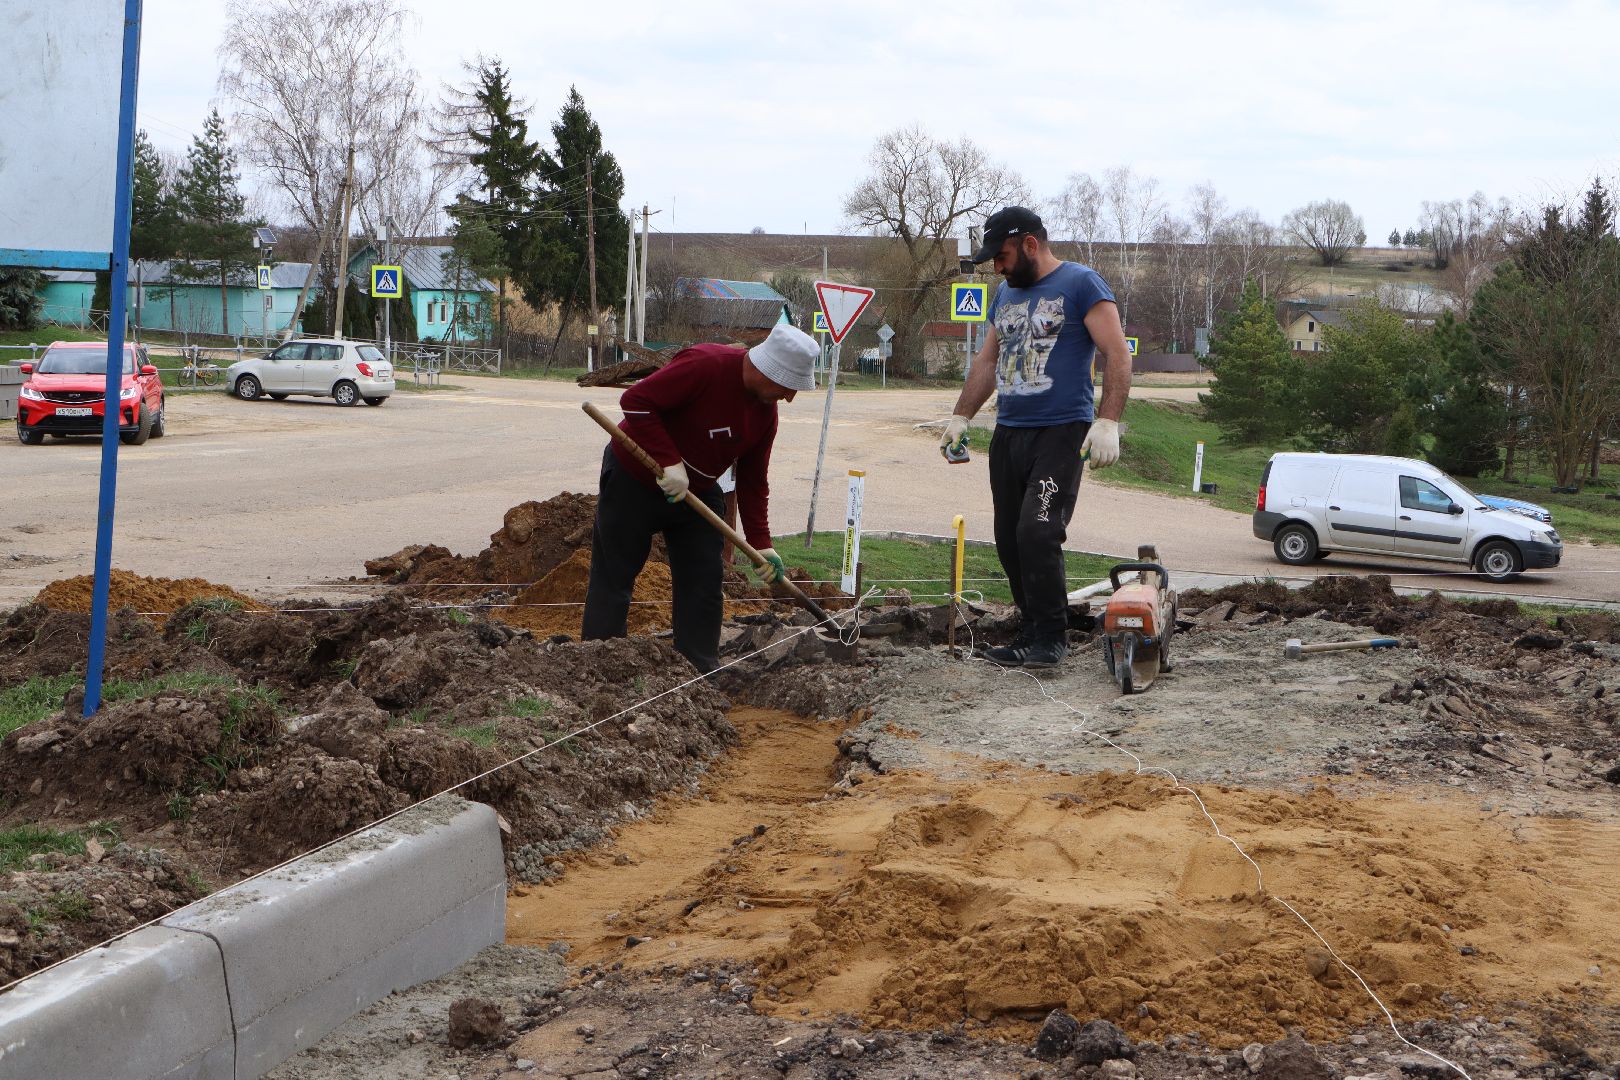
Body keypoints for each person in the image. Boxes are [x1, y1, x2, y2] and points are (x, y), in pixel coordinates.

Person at [938, 206, 1133, 669]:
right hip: (1010, 434)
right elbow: (988, 361)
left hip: (1061, 432)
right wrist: (961, 417)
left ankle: (1050, 638)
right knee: (1008, 538)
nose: (997, 268)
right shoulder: (1004, 293)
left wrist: (1107, 421)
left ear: (1029, 244)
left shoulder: (1082, 284)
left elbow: (1116, 353)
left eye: (1002, 256)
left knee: (1038, 531)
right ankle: (1031, 631)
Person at [582, 322, 820, 672]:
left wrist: (762, 543)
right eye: (788, 386)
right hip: (634, 478)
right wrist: (669, 461)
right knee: (614, 576)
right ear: (767, 369)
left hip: (698, 489)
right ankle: (596, 666)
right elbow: (636, 400)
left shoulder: (765, 416)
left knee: (704, 581)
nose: (790, 397)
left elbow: (754, 481)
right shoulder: (705, 365)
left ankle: (698, 674)